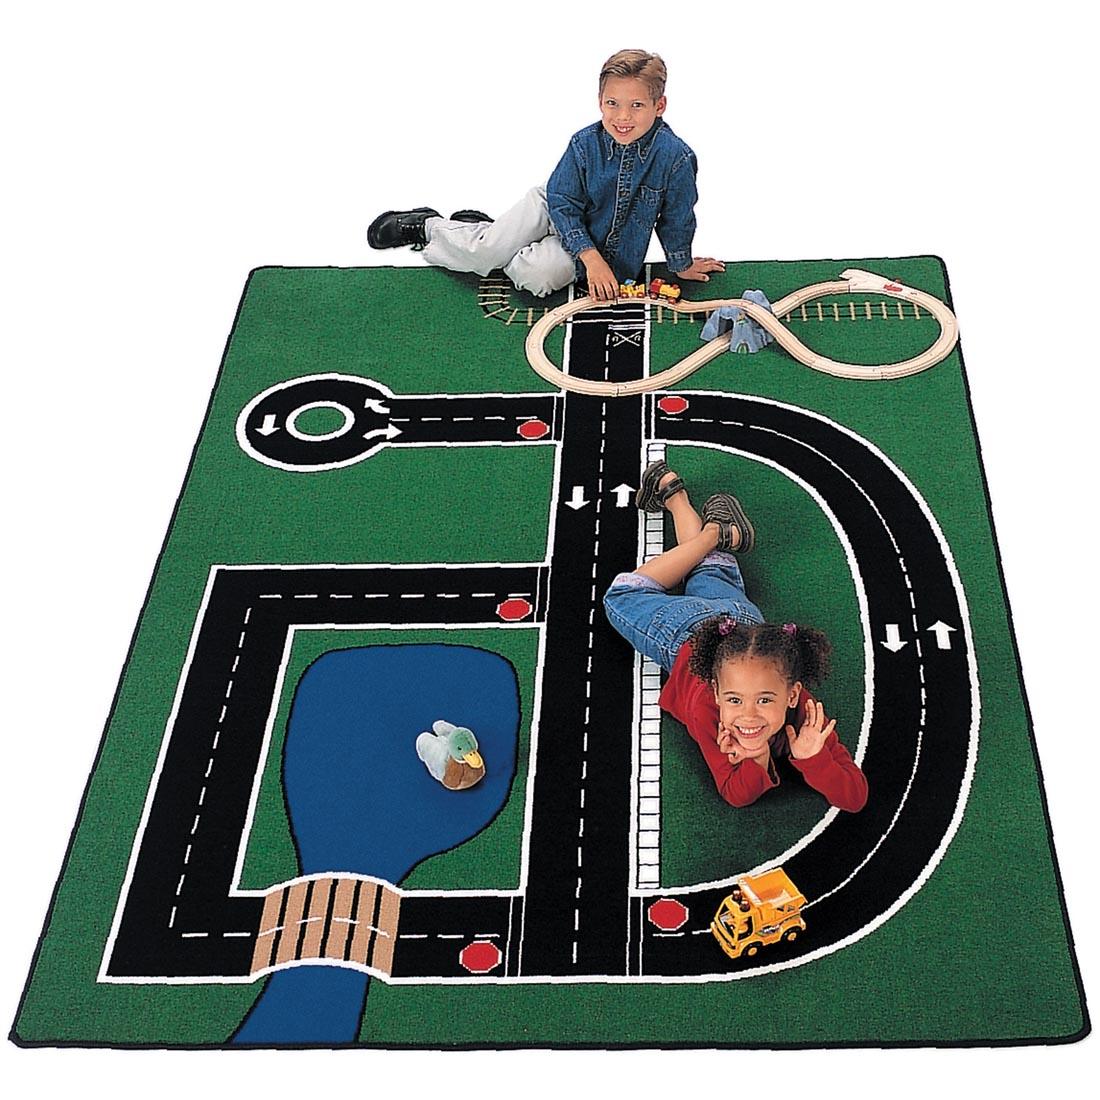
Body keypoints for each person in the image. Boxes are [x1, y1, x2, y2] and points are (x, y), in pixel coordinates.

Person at [603, 461, 868, 812]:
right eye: (735, 700)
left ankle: (680, 500)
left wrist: (810, 756)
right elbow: (735, 791)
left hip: (742, 623)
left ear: (792, 694)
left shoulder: (807, 716)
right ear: (716, 691)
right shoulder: (705, 707)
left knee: (706, 565)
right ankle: (711, 532)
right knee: (621, 594)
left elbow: (854, 798)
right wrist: (757, 755)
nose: (748, 716)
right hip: (687, 632)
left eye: (763, 700)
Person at [367, 49, 724, 301]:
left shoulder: (675, 157)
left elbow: (676, 216)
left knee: (536, 278)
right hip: (554, 208)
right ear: (600, 100)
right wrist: (591, 258)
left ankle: (489, 232)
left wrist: (682, 263)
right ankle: (428, 226)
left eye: (637, 105)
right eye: (612, 103)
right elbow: (563, 202)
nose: (622, 117)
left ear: (659, 106)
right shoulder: (584, 143)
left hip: (590, 243)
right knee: (484, 254)